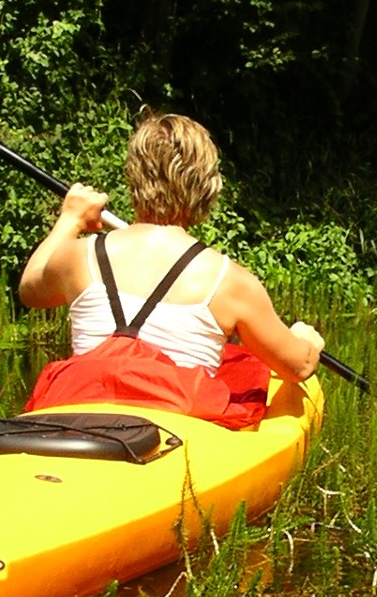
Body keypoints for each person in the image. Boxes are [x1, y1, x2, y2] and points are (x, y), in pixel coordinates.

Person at [17, 112, 324, 426]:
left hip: (80, 416)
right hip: (176, 430)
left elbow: (30, 289)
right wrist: (307, 342)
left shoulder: (78, 256)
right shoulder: (231, 282)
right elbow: (297, 367)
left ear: (133, 176)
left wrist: (71, 219)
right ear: (207, 186)